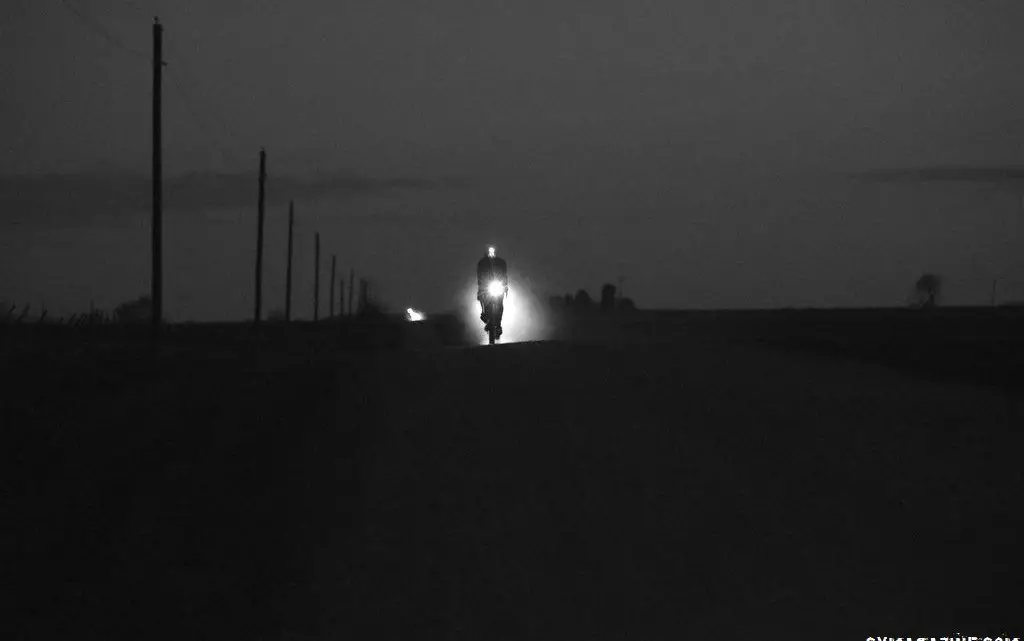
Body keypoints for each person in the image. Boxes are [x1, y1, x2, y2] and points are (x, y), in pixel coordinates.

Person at [477, 245, 508, 334]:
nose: (491, 253)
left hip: (498, 286)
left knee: (500, 305)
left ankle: (498, 325)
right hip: (486, 287)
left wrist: (505, 286)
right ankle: (485, 316)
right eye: (489, 251)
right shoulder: (482, 262)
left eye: (492, 251)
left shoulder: (501, 262)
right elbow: (479, 276)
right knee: (484, 303)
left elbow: (505, 275)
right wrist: (481, 286)